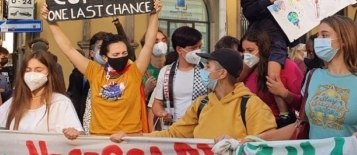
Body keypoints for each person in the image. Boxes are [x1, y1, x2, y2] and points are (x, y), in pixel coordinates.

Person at [43, 0, 162, 136]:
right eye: (116, 54)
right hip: (99, 142)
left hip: (130, 141)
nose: (121, 56)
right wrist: (51, 22)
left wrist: (154, 15)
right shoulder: (95, 72)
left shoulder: (134, 72)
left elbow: (148, 44)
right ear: (105, 57)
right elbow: (69, 49)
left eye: (124, 53)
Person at [257, 15, 357, 140]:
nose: (318, 40)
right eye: (318, 35)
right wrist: (260, 139)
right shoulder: (312, 76)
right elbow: (300, 125)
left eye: (324, 35)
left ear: (344, 41)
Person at [110, 48, 276, 141]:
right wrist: (133, 137)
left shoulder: (252, 105)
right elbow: (172, 134)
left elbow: (267, 145)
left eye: (208, 67)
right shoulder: (201, 104)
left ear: (222, 74)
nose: (202, 71)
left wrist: (237, 144)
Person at [238, 0, 292, 125]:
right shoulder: (250, 5)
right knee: (239, 75)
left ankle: (284, 115)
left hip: (276, 44)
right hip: (256, 45)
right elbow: (250, 11)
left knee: (273, 76)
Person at [151, 26, 209, 131]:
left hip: (200, 128)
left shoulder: (206, 71)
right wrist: (162, 113)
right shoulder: (166, 72)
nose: (198, 51)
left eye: (199, 47)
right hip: (174, 129)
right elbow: (157, 103)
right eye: (193, 48)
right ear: (179, 50)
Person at [242, 29, 303, 128]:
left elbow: (303, 104)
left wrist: (285, 94)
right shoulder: (248, 68)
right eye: (243, 51)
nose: (246, 55)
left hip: (278, 128)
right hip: (252, 126)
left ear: (263, 48)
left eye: (250, 50)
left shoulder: (287, 66)